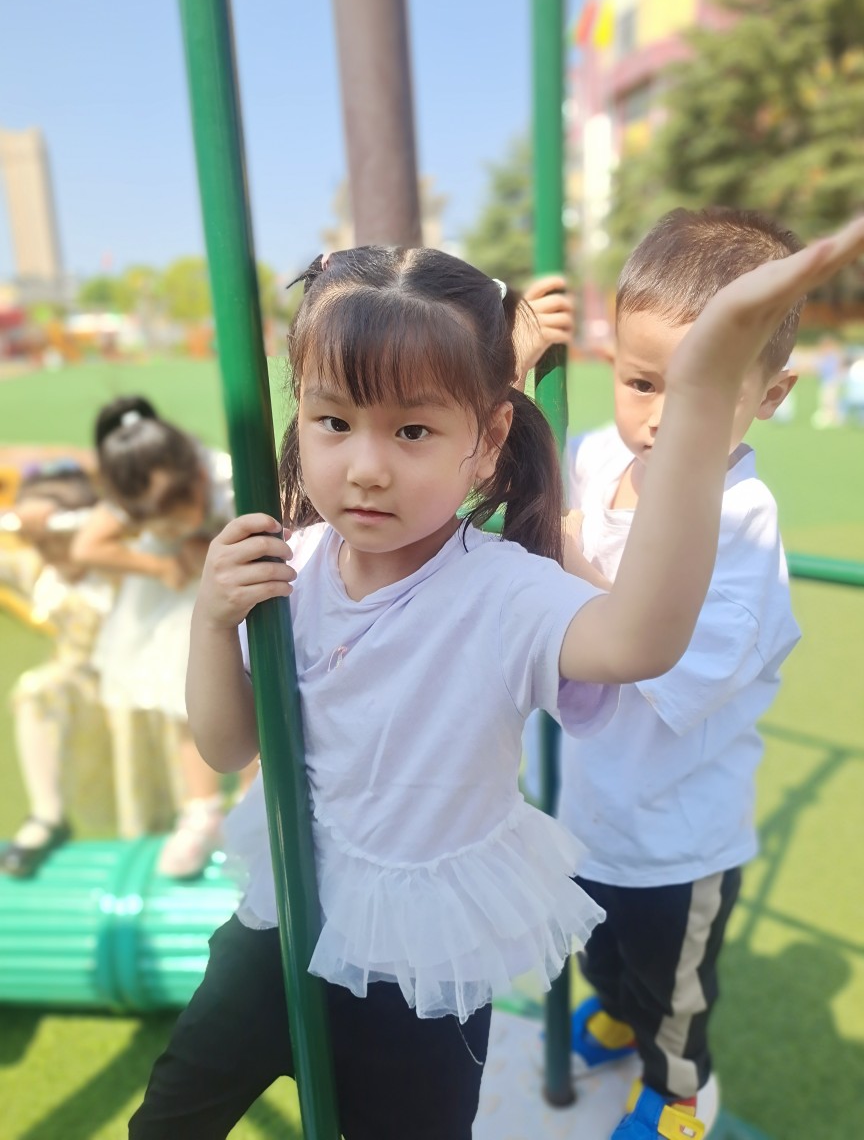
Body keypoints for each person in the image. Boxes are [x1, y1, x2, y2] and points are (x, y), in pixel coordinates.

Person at [128, 221, 864, 1140]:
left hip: (423, 955)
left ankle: (677, 1086)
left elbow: (642, 639)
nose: (366, 466)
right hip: (284, 914)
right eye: (334, 421)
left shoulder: (504, 589)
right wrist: (211, 620)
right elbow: (227, 744)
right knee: (168, 1120)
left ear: (485, 442)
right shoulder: (293, 561)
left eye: (412, 430)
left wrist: (706, 391)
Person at [556, 208, 809, 1140]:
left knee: (674, 986)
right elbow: (518, 475)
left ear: (770, 393)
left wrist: (571, 566)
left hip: (678, 833)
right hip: (592, 804)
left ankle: (677, 1093)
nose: (662, 416)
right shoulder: (597, 457)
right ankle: (617, 1016)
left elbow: (662, 654)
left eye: (702, 392)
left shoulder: (742, 522)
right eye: (641, 381)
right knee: (600, 948)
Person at [72, 397, 247, 878]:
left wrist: (206, 544)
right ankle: (202, 811)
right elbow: (86, 547)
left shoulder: (227, 478)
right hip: (176, 603)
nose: (171, 528)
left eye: (175, 515)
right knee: (183, 703)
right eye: (158, 525)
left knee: (247, 694)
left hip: (236, 596)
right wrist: (160, 564)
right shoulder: (133, 488)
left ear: (197, 477)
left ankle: (250, 805)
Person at [0, 463, 115, 877]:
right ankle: (47, 815)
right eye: (37, 540)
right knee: (37, 689)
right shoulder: (38, 569)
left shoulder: (120, 564)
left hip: (138, 689)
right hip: (78, 692)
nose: (45, 548)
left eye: (54, 538)